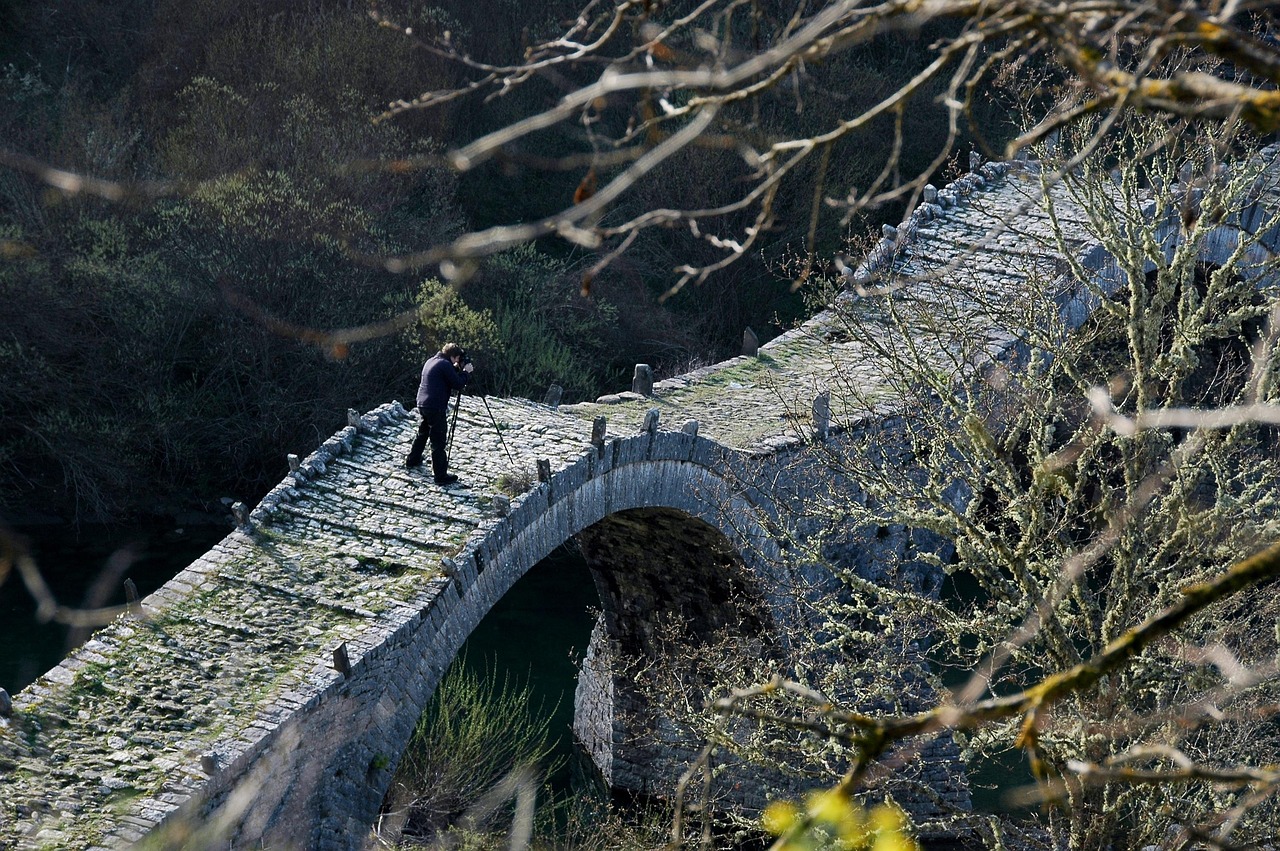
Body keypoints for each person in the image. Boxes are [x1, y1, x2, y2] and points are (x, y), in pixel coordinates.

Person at [405, 342, 474, 485]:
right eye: (457, 359)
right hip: (436, 406)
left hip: (422, 403)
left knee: (423, 432)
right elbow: (458, 384)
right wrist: (466, 372)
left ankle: (413, 459)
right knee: (438, 440)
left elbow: (447, 378)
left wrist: (456, 369)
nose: (457, 362)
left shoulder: (432, 360)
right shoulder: (445, 365)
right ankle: (440, 476)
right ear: (453, 356)